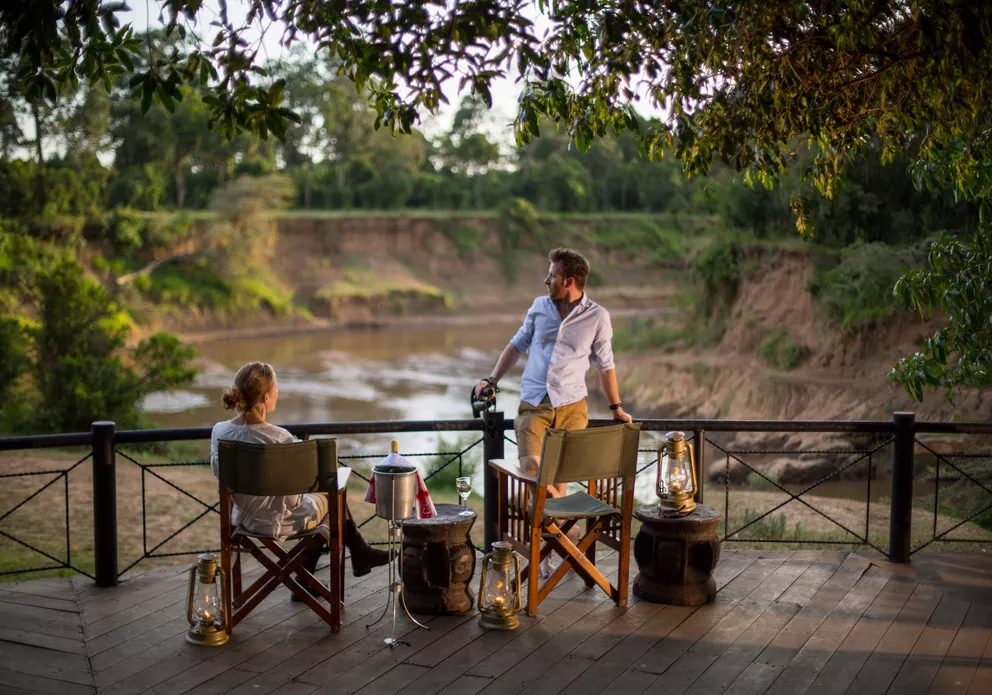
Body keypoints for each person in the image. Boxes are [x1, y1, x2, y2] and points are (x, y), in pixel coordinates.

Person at [474, 248, 633, 574]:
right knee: (534, 470)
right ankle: (569, 534)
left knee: (558, 483)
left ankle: (544, 547)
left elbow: (606, 366)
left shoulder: (597, 317)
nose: (546, 280)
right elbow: (516, 345)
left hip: (572, 407)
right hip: (534, 404)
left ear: (569, 281)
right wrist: (491, 379)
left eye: (552, 276)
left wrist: (616, 407)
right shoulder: (538, 308)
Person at [210, 361, 391, 594]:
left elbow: (219, 475)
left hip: (243, 519)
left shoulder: (220, 432)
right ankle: (353, 555)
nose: (278, 392)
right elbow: (298, 495)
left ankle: (341, 562)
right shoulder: (279, 438)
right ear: (265, 398)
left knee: (326, 497)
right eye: (276, 388)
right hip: (279, 521)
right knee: (334, 494)